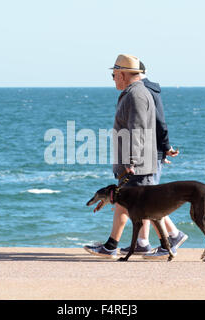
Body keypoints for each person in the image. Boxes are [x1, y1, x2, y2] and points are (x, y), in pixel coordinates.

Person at [83, 54, 157, 259]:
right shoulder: (134, 93)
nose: (114, 79)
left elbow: (137, 129)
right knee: (142, 206)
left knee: (127, 204)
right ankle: (157, 241)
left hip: (136, 164)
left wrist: (131, 161)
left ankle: (111, 246)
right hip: (136, 163)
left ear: (123, 74)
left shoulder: (136, 95)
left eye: (114, 75)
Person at [120, 61, 189, 259]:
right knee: (145, 200)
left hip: (148, 152)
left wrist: (164, 148)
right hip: (151, 150)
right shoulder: (146, 90)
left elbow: (158, 122)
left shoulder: (144, 91)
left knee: (148, 201)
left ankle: (173, 236)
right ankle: (143, 242)